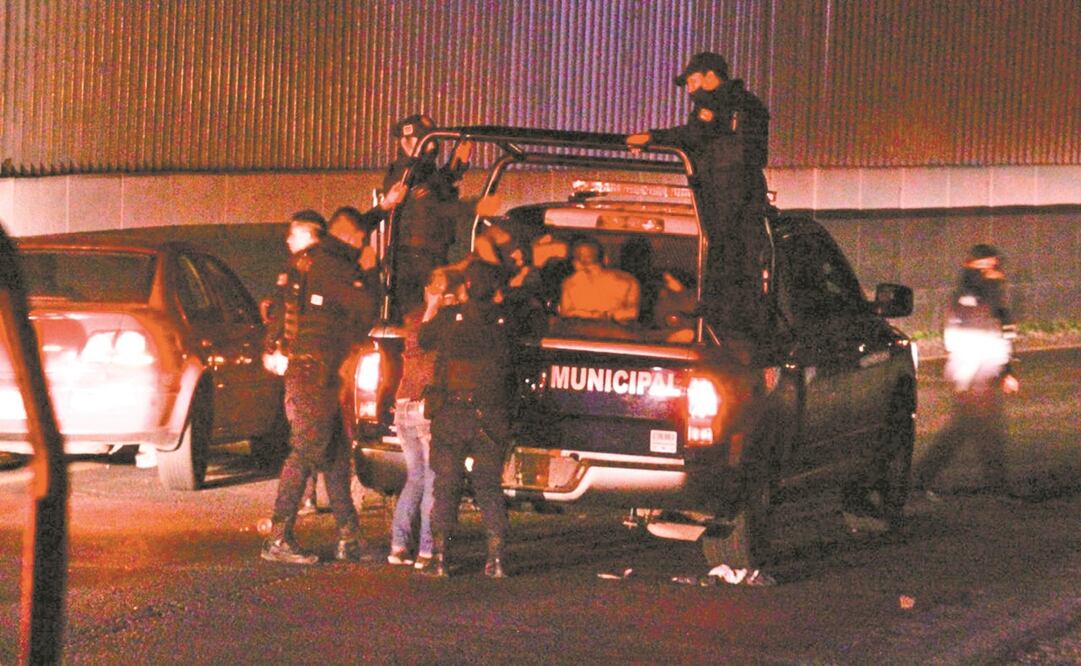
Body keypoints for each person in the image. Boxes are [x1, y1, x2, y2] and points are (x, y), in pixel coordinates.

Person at [260, 209, 378, 564]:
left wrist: (272, 347)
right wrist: (370, 272)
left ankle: (349, 535)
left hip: (310, 370)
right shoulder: (332, 266)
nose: (362, 246)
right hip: (317, 372)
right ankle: (278, 537)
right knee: (306, 450)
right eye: (360, 240)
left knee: (336, 455)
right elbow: (365, 309)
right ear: (349, 236)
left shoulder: (305, 266)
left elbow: (281, 313)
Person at [627, 51, 770, 337]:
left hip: (727, 187)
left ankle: (718, 314)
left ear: (710, 76)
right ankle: (730, 315)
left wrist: (651, 137)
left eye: (693, 81)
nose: (690, 90)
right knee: (737, 252)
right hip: (743, 187)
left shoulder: (717, 101)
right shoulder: (747, 102)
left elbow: (695, 135)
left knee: (723, 248)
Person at [417, 262, 515, 578]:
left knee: (446, 486)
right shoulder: (506, 322)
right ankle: (497, 560)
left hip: (452, 414)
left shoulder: (448, 318)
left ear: (466, 287)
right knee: (488, 487)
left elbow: (423, 338)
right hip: (491, 416)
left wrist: (433, 305)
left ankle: (440, 558)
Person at [912, 244, 1020, 498]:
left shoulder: (993, 295)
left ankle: (920, 481)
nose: (994, 271)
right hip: (974, 375)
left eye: (995, 266)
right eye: (988, 266)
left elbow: (1003, 334)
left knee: (974, 431)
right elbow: (967, 338)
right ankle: (919, 481)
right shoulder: (970, 296)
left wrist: (1006, 369)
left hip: (986, 372)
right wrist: (967, 378)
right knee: (973, 431)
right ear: (976, 267)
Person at [383, 113, 473, 312]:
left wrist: (457, 164)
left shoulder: (422, 172)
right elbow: (431, 194)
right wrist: (454, 169)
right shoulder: (403, 173)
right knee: (415, 311)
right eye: (425, 140)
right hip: (412, 258)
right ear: (406, 142)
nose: (432, 147)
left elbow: (437, 184)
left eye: (432, 140)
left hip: (432, 252)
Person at [559, 237, 640, 323]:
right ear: (605, 259)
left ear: (574, 263)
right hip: (613, 329)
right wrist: (607, 315)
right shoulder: (629, 281)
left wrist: (588, 315)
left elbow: (565, 314)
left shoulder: (568, 283)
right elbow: (633, 313)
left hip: (586, 329)